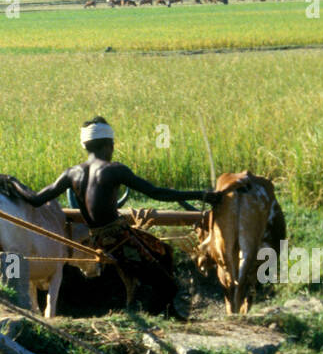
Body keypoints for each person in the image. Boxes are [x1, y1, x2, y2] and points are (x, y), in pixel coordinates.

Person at [12, 117, 220, 315]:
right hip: (117, 239)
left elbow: (37, 199)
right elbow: (156, 193)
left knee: (164, 251)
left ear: (86, 146)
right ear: (109, 145)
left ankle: (164, 311)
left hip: (102, 237)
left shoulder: (72, 173)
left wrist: (12, 182)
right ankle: (151, 317)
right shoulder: (114, 170)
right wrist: (201, 195)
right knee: (168, 286)